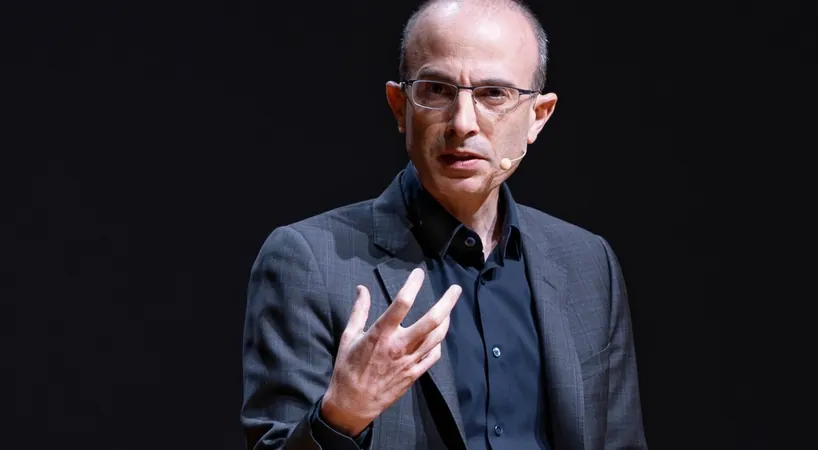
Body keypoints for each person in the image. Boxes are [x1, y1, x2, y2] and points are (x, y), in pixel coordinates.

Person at [241, 0, 648, 448]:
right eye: (436, 90)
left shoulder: (589, 263)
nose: (462, 123)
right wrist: (342, 415)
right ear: (399, 106)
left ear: (538, 116)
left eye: (494, 94)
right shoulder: (309, 261)